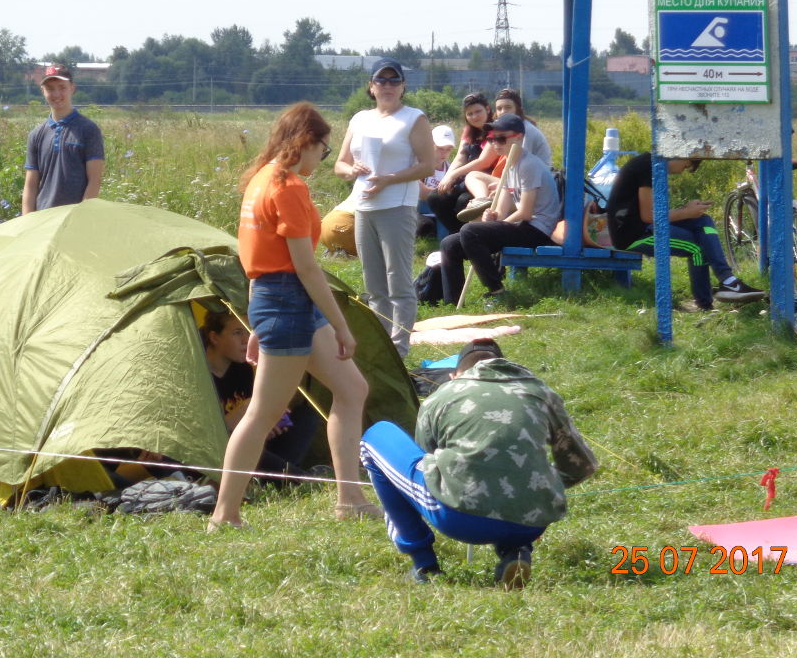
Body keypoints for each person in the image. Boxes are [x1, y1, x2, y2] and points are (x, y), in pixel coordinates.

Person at [210, 102, 378, 529]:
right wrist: (341, 325)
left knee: (353, 389)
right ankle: (224, 515)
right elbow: (305, 268)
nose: (321, 160)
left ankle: (350, 500)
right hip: (287, 301)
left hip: (276, 300)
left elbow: (255, 258)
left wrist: (256, 323)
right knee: (264, 412)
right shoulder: (288, 187)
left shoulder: (261, 179)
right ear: (306, 142)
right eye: (323, 151)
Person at [360, 338, 598, 587]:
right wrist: (536, 489)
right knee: (518, 480)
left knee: (375, 435)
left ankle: (424, 564)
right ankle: (516, 551)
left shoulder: (442, 396)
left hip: (460, 519)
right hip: (533, 523)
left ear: (453, 375)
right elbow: (581, 465)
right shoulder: (541, 392)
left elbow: (426, 460)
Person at [333, 59, 435, 356]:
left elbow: (427, 165)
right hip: (364, 206)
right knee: (374, 284)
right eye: (382, 80)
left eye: (394, 81)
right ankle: (381, 350)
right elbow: (340, 164)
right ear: (371, 86)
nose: (387, 86)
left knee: (399, 282)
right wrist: (351, 172)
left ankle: (399, 349)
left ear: (403, 87)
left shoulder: (413, 118)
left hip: (397, 205)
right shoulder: (359, 119)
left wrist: (390, 179)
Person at [606, 152, 765, 310]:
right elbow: (648, 216)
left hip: (645, 226)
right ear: (679, 153)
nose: (684, 170)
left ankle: (728, 280)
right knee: (697, 248)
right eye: (687, 164)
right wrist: (686, 212)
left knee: (703, 220)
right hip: (633, 235)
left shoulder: (654, 165)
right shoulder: (647, 166)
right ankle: (705, 305)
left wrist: (687, 211)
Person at [439, 114, 562, 305]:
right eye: (491, 139)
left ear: (519, 137)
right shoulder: (509, 165)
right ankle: (452, 303)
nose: (495, 143)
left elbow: (526, 213)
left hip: (537, 229)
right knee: (449, 244)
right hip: (522, 225)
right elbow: (502, 211)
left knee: (470, 231)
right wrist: (493, 215)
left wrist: (497, 224)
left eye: (501, 138)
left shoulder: (528, 165)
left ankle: (497, 291)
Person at [200, 309, 318, 479]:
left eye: (249, 331)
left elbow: (254, 420)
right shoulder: (199, 376)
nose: (246, 340)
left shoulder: (242, 368)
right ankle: (300, 479)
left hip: (256, 446)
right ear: (214, 337)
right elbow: (202, 439)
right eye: (237, 332)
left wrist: (266, 421)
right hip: (223, 452)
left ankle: (278, 477)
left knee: (306, 416)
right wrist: (242, 413)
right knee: (241, 443)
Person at [455, 88, 553, 223]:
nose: (503, 111)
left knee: (474, 217)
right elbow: (509, 168)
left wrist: (502, 189)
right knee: (472, 176)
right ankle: (481, 201)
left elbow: (522, 169)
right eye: (499, 108)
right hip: (515, 181)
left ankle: (484, 211)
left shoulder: (524, 132)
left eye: (508, 107)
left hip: (533, 186)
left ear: (518, 108)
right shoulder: (502, 130)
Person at [21, 64, 105, 214]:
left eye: (62, 87)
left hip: (74, 219)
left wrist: (81, 215)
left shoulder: (88, 130)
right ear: (43, 91)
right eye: (50, 89)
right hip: (43, 218)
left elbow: (94, 180)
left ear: (72, 88)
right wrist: (27, 221)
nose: (56, 94)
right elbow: (31, 185)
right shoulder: (36, 134)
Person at [427, 92, 498, 234]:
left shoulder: (495, 131)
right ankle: (457, 236)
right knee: (436, 197)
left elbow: (484, 161)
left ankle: (469, 237)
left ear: (488, 109)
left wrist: (454, 175)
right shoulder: (469, 131)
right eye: (469, 114)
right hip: (464, 179)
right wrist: (448, 177)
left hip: (484, 180)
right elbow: (460, 156)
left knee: (463, 202)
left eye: (478, 111)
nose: (474, 116)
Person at [416, 125, 457, 240]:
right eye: (440, 148)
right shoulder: (418, 164)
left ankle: (443, 242)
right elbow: (421, 192)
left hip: (440, 210)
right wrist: (444, 194)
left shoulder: (450, 169)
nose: (444, 153)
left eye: (448, 149)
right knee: (424, 226)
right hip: (418, 209)